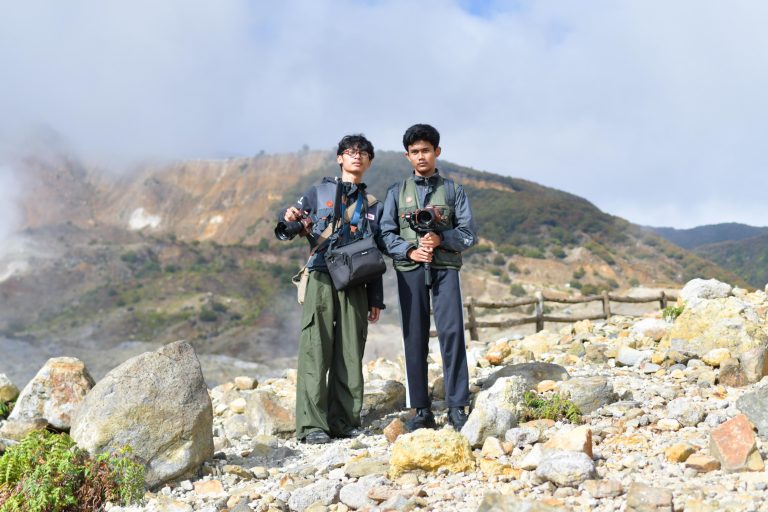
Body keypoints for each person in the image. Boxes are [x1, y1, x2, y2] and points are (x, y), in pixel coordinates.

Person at [279, 134, 385, 444]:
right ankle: (312, 426)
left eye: (363, 153)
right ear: (340, 158)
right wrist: (288, 220)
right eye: (350, 152)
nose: (357, 157)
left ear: (369, 162)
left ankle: (344, 421)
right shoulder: (318, 192)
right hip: (322, 277)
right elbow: (287, 227)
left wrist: (376, 297)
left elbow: (376, 253)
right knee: (316, 350)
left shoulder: (373, 205)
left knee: (351, 353)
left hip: (357, 284)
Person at [380, 123, 477, 432]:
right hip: (410, 269)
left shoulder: (453, 190)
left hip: (445, 268)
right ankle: (421, 410)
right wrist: (409, 251)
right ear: (407, 156)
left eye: (425, 150)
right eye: (414, 152)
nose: (420, 156)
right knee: (414, 336)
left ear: (437, 151)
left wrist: (441, 239)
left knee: (452, 333)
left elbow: (468, 234)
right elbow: (384, 234)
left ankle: (457, 405)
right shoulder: (396, 192)